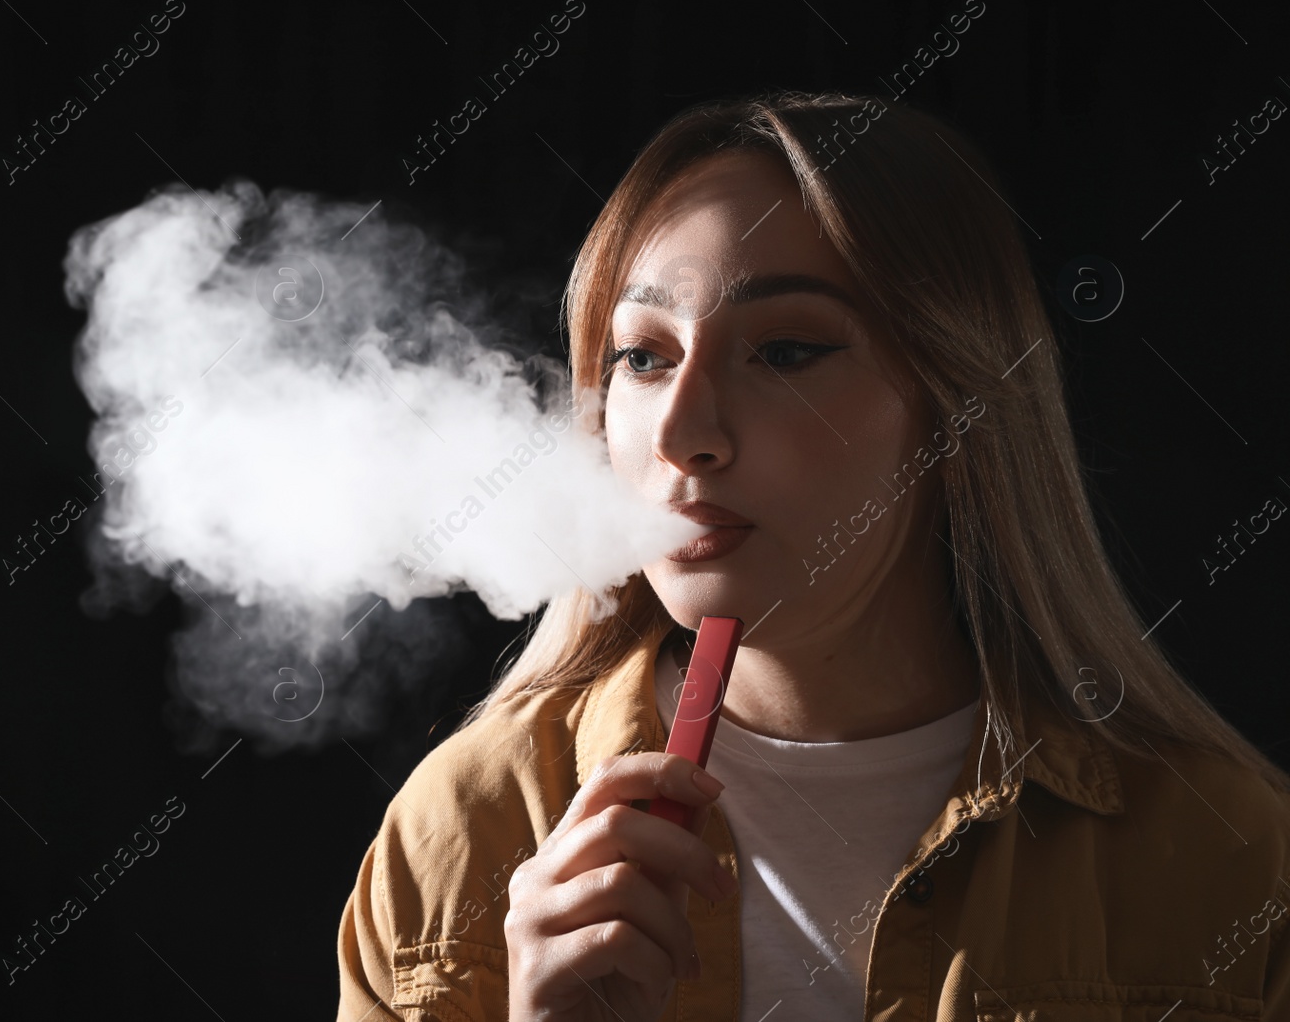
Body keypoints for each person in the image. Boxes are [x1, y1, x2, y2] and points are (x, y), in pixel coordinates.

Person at [335, 91, 1290, 1022]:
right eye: (644, 356)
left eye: (785, 351)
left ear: (956, 407)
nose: (683, 432)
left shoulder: (1230, 857)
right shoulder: (465, 828)